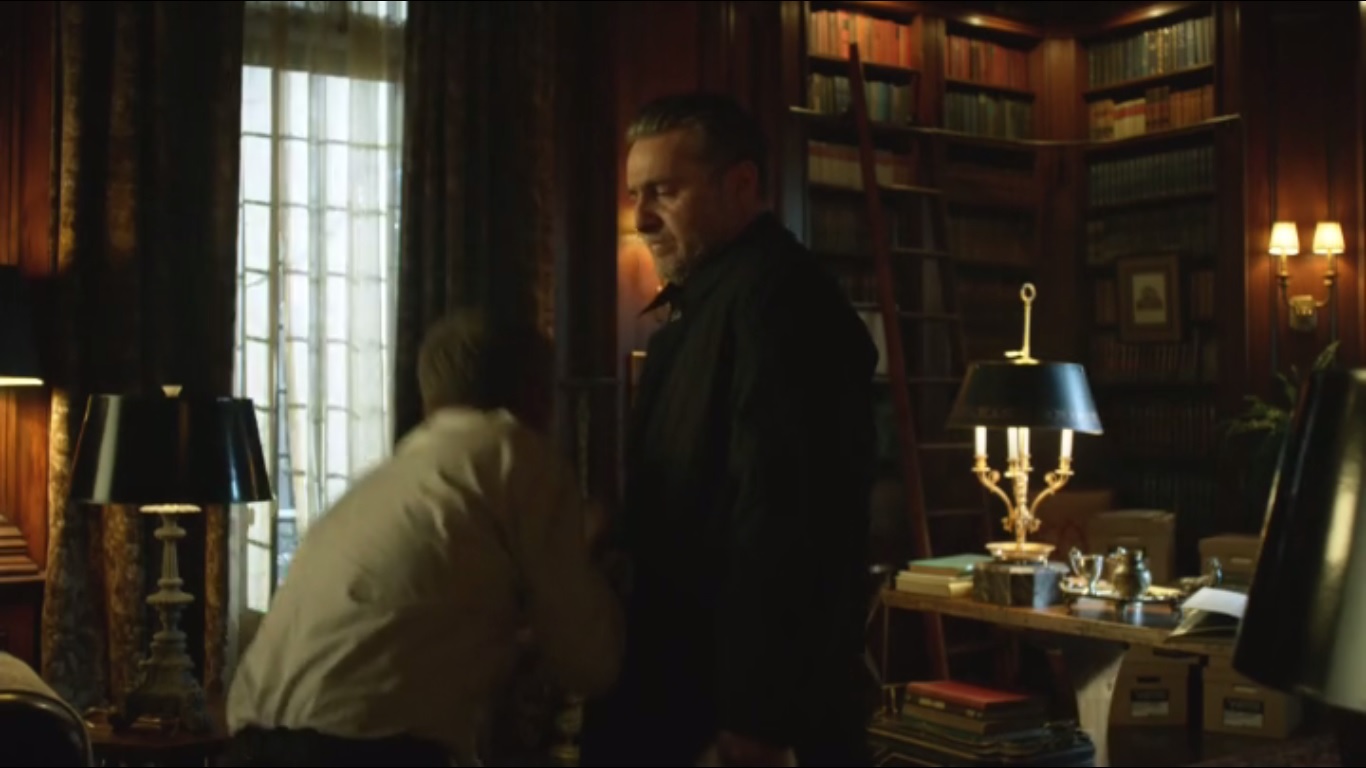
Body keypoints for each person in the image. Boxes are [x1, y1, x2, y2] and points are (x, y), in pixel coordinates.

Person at [580, 91, 879, 766]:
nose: (642, 217)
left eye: (665, 192)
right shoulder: (716, 303)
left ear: (741, 186)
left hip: (729, 708)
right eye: (637, 194)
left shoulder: (782, 304)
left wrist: (757, 718)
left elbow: (787, 521)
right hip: (684, 683)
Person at [223, 310, 624, 767]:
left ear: (430, 398)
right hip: (359, 752)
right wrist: (589, 556)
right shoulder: (516, 454)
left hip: (248, 741)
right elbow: (590, 660)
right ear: (536, 393)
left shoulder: (386, 482)